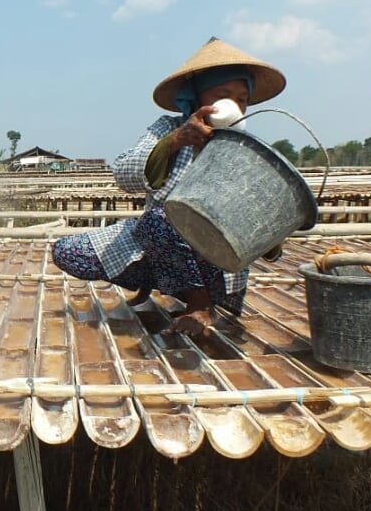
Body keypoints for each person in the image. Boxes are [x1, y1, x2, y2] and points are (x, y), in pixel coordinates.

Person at [50, 37, 285, 338]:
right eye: (223, 96)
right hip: (158, 240)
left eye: (242, 99)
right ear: (198, 97)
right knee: (69, 251)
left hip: (214, 258)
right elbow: (124, 173)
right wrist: (177, 141)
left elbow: (268, 227)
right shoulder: (168, 128)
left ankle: (201, 304)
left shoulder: (245, 147)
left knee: (161, 221)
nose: (235, 106)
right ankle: (162, 279)